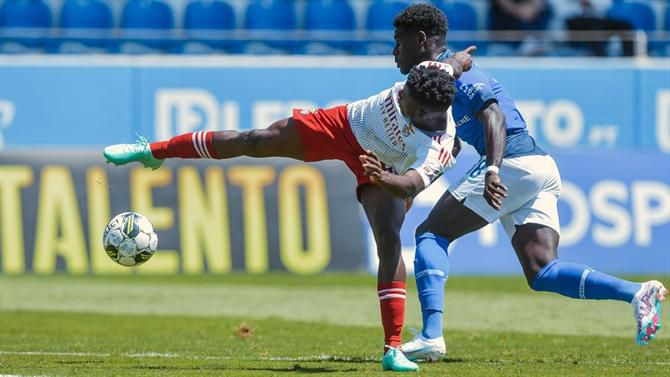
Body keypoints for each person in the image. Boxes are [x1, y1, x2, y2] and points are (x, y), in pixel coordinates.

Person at [103, 58, 472, 372]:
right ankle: (153, 150)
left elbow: (408, 186)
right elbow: (455, 63)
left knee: (389, 240)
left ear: (426, 112)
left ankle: (393, 349)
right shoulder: (429, 73)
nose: (400, 94)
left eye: (406, 99)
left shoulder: (438, 144)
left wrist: (381, 176)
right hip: (345, 125)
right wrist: (463, 60)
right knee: (256, 140)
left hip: (384, 169)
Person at [364, 3, 667, 361]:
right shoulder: (441, 82)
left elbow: (494, 116)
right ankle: (636, 293)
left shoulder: (461, 74)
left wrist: (492, 170)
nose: (394, 51)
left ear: (421, 40)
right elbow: (453, 145)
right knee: (543, 271)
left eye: (399, 42)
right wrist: (417, 182)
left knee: (431, 234)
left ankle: (431, 336)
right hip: (539, 167)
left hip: (515, 163)